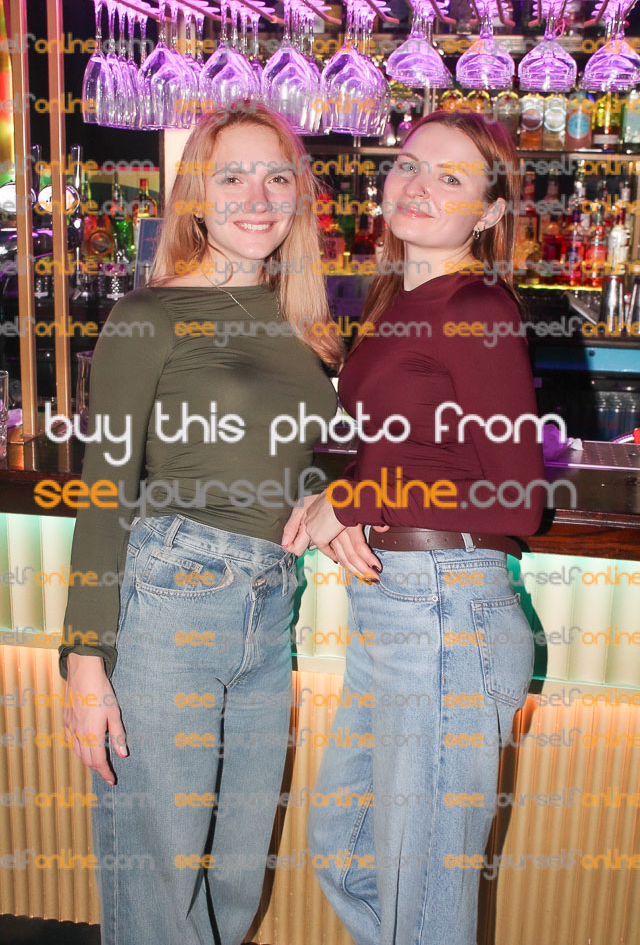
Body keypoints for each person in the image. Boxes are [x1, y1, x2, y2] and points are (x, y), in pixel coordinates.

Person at [59, 102, 342, 945]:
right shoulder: (149, 316)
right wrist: (84, 659)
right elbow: (105, 487)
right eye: (232, 176)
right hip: (172, 595)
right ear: (195, 199)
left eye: (277, 176)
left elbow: (304, 454)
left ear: (298, 197)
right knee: (162, 883)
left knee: (235, 878)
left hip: (270, 607)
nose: (257, 197)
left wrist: (327, 499)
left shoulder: (303, 324)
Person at [300, 110, 546, 945]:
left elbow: (517, 498)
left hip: (449, 610)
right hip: (397, 608)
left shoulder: (477, 305)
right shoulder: (397, 303)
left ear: (490, 212)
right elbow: (384, 449)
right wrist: (334, 492)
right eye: (408, 165)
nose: (418, 185)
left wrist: (357, 502)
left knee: (424, 893)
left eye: (451, 176)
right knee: (345, 851)